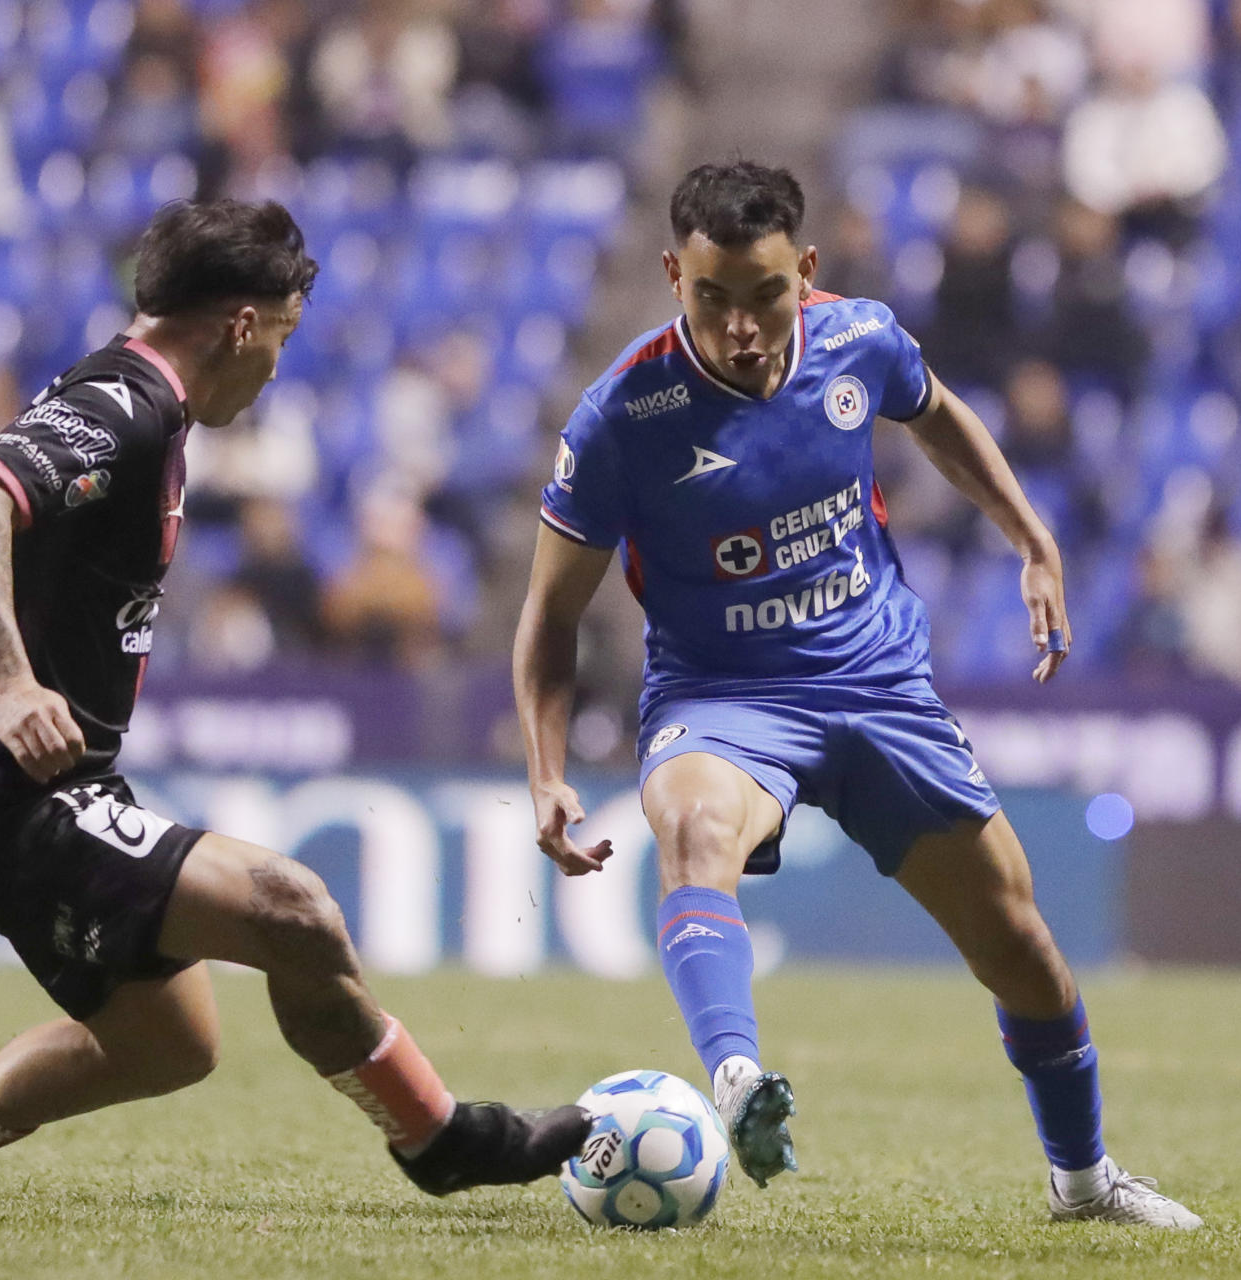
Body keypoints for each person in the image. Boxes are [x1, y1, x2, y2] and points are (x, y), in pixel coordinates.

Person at [0, 199, 588, 1219]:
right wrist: (3, 687)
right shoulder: (129, 405)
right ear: (243, 325)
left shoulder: (115, 398)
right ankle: (441, 1136)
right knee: (291, 906)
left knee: (169, 1043)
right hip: (1, 793)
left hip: (6, 780)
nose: (276, 372)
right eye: (285, 340)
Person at [511, 161, 1201, 1228]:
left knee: (1017, 938)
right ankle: (736, 1076)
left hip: (878, 684)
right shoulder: (622, 416)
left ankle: (1085, 1181)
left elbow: (937, 413)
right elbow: (551, 617)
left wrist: (1030, 535)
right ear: (670, 275)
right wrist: (549, 772)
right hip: (723, 696)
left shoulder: (860, 339)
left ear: (809, 271)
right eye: (712, 299)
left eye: (766, 294)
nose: (742, 326)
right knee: (697, 829)